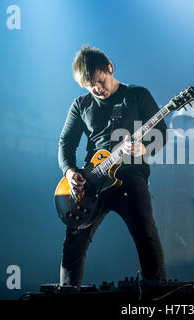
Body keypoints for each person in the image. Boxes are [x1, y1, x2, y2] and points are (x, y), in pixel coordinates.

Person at [58, 45, 168, 286]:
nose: (97, 89)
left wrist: (144, 149)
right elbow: (66, 142)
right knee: (74, 240)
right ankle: (67, 293)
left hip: (129, 177)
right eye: (90, 86)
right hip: (91, 182)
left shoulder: (137, 95)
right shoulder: (80, 105)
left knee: (145, 234)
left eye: (101, 81)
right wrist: (69, 171)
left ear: (110, 68)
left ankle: (158, 292)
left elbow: (161, 132)